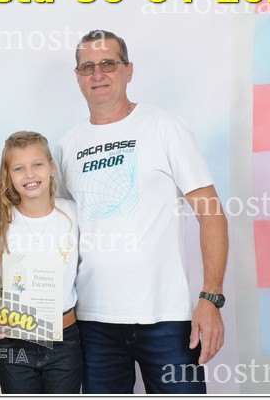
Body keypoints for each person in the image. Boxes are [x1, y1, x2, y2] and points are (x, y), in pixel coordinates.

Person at [53, 30, 229, 394]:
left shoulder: (165, 127)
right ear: (77, 76)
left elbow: (211, 214)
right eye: (87, 67)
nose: (97, 74)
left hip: (167, 319)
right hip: (93, 321)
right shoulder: (68, 145)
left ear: (129, 70)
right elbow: (60, 231)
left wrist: (211, 298)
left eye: (108, 64)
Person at [0, 131, 82, 394]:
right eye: (19, 168)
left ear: (51, 167)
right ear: (8, 176)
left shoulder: (73, 214)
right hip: (14, 342)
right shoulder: (0, 225)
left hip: (64, 340)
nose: (29, 175)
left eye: (37, 164)